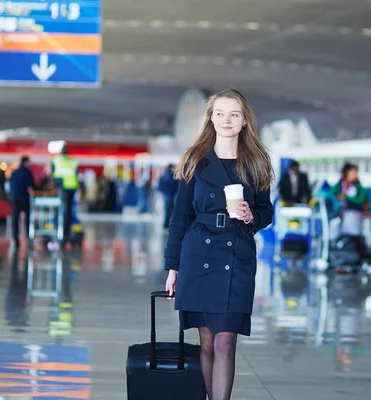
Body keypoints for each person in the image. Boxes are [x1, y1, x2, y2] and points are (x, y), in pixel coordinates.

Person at [164, 88, 273, 400]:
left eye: (234, 114)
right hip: (198, 254)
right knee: (208, 343)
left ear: (244, 122)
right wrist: (172, 267)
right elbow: (179, 217)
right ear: (210, 118)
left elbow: (267, 212)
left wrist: (252, 215)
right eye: (220, 113)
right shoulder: (195, 160)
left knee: (226, 341)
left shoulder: (256, 162)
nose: (227, 120)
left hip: (237, 254)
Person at [52, 144, 79, 241]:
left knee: (58, 208)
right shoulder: (73, 161)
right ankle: (66, 230)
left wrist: (55, 187)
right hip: (71, 187)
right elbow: (76, 174)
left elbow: (54, 174)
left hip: (61, 188)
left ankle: (57, 226)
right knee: (68, 210)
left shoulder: (56, 159)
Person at [331, 163, 366, 236]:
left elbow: (361, 199)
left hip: (355, 215)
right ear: (347, 172)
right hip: (341, 215)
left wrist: (346, 197)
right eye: (353, 172)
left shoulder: (358, 185)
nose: (355, 174)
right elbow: (332, 194)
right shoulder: (340, 184)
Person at [9, 156, 35, 246]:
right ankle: (27, 235)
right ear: (26, 162)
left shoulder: (14, 172)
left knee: (15, 218)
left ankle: (15, 237)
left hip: (15, 198)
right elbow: (32, 185)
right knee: (27, 218)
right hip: (24, 198)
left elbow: (11, 186)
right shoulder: (27, 172)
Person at [158, 163, 179, 229]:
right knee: (169, 209)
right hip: (170, 194)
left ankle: (166, 224)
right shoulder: (171, 175)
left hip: (167, 194)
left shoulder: (165, 174)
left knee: (168, 209)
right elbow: (175, 184)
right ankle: (167, 224)